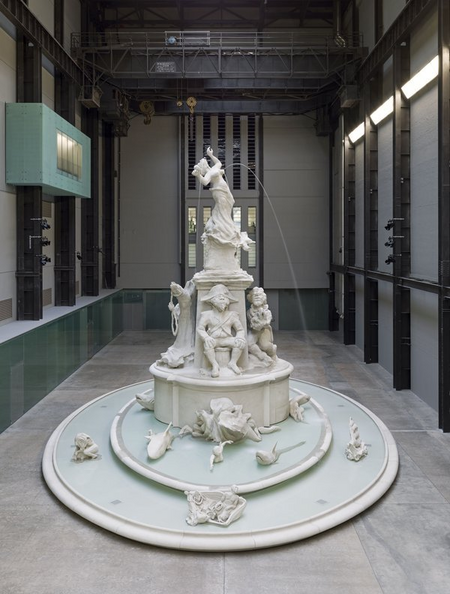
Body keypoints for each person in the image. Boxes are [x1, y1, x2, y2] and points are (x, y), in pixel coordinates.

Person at [192, 147, 252, 250]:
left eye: (204, 161)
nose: (204, 162)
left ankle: (227, 227)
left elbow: (219, 162)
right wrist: (198, 175)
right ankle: (225, 230)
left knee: (230, 204)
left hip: (225, 191)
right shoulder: (209, 173)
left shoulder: (214, 168)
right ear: (203, 167)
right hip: (219, 192)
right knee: (222, 210)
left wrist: (211, 155)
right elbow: (205, 182)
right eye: (203, 163)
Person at [197, 284, 246, 377]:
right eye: (219, 297)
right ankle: (214, 365)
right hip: (214, 340)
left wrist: (240, 337)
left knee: (240, 343)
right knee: (208, 345)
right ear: (212, 301)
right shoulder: (207, 315)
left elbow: (240, 329)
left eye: (224, 297)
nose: (222, 298)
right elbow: (200, 328)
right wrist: (206, 337)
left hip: (227, 339)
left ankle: (233, 363)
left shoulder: (232, 315)